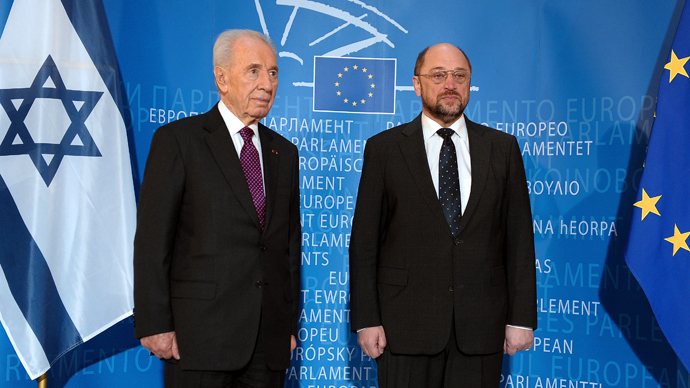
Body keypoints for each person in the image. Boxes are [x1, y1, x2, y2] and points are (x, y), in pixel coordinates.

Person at [349, 43, 537, 387]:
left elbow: (519, 240)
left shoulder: (503, 148)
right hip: (403, 329)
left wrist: (521, 319)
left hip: (480, 331)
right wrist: (366, 319)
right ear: (417, 84)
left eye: (459, 76)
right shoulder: (385, 149)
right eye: (439, 75)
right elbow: (364, 243)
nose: (450, 84)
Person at [133, 29, 301, 388]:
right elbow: (152, 242)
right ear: (221, 78)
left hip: (267, 345)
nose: (267, 83)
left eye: (273, 73)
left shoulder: (284, 153)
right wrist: (155, 323)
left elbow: (288, 249)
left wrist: (286, 326)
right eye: (253, 70)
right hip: (199, 339)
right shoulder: (179, 141)